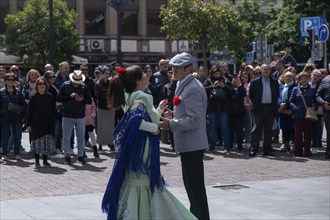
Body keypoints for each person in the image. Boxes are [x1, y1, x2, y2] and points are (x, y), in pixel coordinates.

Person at [102, 65, 196, 220]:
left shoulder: (130, 96)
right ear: (139, 81)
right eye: (144, 75)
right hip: (143, 147)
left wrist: (158, 111)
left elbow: (141, 118)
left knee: (135, 181)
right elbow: (136, 121)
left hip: (136, 146)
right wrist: (155, 128)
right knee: (144, 181)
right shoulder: (142, 96)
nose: (147, 76)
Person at [159, 52, 210, 220]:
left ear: (188, 69)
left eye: (177, 68)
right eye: (172, 67)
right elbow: (188, 114)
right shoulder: (184, 82)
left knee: (195, 191)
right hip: (189, 144)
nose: (172, 70)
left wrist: (171, 124)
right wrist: (174, 116)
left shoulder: (193, 87)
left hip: (192, 145)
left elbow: (195, 120)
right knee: (194, 190)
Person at [57, 70, 92, 165]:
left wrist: (82, 100)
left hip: (80, 116)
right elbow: (59, 98)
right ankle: (67, 156)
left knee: (81, 137)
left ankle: (80, 156)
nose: (76, 83)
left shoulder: (84, 86)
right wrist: (69, 96)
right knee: (66, 137)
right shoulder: (65, 85)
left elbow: (89, 100)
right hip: (67, 115)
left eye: (78, 81)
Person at [249, 64, 279, 157]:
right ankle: (254, 149)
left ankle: (267, 149)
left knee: (268, 130)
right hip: (259, 108)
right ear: (261, 70)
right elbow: (251, 96)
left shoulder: (274, 82)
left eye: (268, 69)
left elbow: (276, 95)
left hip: (270, 108)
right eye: (264, 69)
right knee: (256, 130)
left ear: (270, 71)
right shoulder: (254, 82)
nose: (266, 71)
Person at [26, 77, 57, 168]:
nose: (42, 85)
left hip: (48, 123)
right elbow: (29, 112)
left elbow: (53, 109)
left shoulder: (50, 96)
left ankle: (45, 161)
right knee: (37, 142)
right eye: (40, 84)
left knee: (46, 142)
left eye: (44, 84)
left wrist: (56, 117)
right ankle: (37, 162)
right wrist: (28, 124)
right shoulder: (33, 97)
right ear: (37, 86)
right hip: (36, 123)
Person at [289, 72, 317, 157]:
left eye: (305, 78)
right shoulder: (295, 89)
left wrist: (314, 108)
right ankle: (298, 152)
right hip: (298, 115)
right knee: (298, 134)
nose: (304, 80)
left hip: (308, 115)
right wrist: (295, 108)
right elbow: (290, 101)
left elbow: (316, 101)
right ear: (299, 80)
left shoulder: (312, 89)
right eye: (302, 78)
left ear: (308, 79)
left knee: (308, 134)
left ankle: (307, 151)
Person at [0, 72, 27, 161]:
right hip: (5, 117)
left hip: (16, 117)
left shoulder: (19, 92)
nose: (11, 81)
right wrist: (3, 112)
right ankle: (4, 153)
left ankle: (17, 153)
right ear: (5, 81)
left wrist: (19, 110)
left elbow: (24, 105)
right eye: (9, 79)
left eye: (12, 79)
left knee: (17, 136)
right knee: (5, 136)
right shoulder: (1, 92)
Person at [95, 66, 116, 151]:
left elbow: (113, 94)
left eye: (109, 74)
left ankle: (111, 143)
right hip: (101, 106)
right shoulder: (97, 83)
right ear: (102, 74)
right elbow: (98, 95)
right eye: (106, 73)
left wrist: (111, 103)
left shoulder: (111, 83)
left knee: (110, 126)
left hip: (110, 106)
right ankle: (100, 143)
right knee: (101, 126)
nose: (107, 75)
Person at [278, 71, 297, 152]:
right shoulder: (282, 86)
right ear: (283, 78)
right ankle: (285, 144)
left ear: (293, 78)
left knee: (293, 128)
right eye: (286, 76)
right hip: (282, 111)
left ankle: (294, 145)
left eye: (290, 76)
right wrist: (279, 103)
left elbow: (293, 98)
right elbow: (278, 96)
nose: (288, 78)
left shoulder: (296, 86)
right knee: (284, 128)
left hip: (292, 110)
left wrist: (285, 104)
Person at [315, 71, 330, 159]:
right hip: (328, 109)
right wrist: (323, 103)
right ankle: (328, 152)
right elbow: (317, 95)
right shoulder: (325, 80)